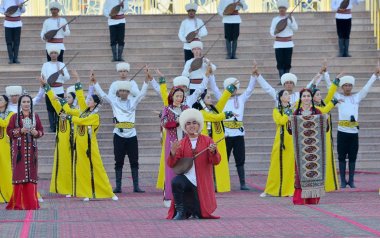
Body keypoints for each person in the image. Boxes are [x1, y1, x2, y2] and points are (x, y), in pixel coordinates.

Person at [93, 67, 152, 194]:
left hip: (132, 135)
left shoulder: (133, 101)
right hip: (118, 135)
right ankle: (118, 186)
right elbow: (103, 95)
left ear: (129, 92)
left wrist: (146, 81)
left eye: (126, 90)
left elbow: (141, 94)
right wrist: (95, 82)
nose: (124, 93)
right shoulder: (114, 101)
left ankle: (136, 186)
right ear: (118, 92)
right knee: (118, 161)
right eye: (121, 91)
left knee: (134, 160)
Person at [59, 77, 118, 201]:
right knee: (82, 169)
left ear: (95, 103)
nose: (87, 101)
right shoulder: (83, 111)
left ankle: (109, 192)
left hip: (90, 146)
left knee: (97, 167)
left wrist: (69, 118)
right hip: (79, 145)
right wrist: (77, 81)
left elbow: (82, 122)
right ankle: (86, 192)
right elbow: (80, 98)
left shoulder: (95, 116)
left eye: (90, 99)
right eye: (88, 99)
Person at [324, 65, 380, 188]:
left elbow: (366, 88)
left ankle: (352, 180)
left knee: (353, 157)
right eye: (345, 85)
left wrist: (374, 76)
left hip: (354, 132)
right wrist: (326, 74)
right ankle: (343, 181)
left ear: (352, 86)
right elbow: (330, 88)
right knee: (342, 156)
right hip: (342, 132)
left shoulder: (356, 97)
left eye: (350, 85)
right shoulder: (339, 98)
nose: (348, 88)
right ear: (342, 87)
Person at [208, 64, 257, 190]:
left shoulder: (241, 99)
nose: (232, 90)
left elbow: (250, 90)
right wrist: (211, 74)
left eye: (234, 88)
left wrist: (253, 76)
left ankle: (242, 183)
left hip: (239, 135)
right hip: (225, 134)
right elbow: (213, 87)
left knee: (240, 159)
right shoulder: (221, 98)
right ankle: (218, 182)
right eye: (230, 88)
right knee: (222, 159)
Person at [167, 108, 221, 220]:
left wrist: (213, 152)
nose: (192, 126)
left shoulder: (208, 140)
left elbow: (216, 161)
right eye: (188, 123)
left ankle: (194, 210)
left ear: (199, 125)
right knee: (176, 182)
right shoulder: (181, 143)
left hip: (202, 181)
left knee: (200, 214)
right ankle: (180, 212)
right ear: (185, 127)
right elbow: (172, 164)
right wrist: (172, 153)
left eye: (194, 123)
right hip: (187, 179)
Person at [192, 80, 237, 193]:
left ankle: (220, 185)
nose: (210, 99)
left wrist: (229, 89)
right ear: (202, 101)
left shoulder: (215, 110)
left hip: (217, 139)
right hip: (205, 141)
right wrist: (228, 114)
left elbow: (222, 102)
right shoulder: (201, 112)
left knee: (218, 163)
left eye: (210, 97)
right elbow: (215, 118)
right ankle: (206, 186)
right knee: (206, 164)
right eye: (208, 97)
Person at [6, 94, 44, 210]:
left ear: (31, 104)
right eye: (24, 102)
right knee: (19, 173)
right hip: (19, 151)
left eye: (28, 102)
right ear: (20, 104)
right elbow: (9, 131)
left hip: (32, 151)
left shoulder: (35, 116)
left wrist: (36, 133)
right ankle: (18, 203)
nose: (26, 104)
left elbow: (41, 131)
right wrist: (20, 130)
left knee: (31, 173)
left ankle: (31, 203)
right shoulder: (15, 117)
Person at [42, 78, 77, 197]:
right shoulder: (61, 109)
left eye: (69, 98)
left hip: (74, 140)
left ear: (74, 99)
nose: (67, 99)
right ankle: (66, 188)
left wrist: (61, 100)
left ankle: (74, 187)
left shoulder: (77, 111)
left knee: (74, 163)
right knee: (64, 164)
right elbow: (53, 101)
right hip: (62, 141)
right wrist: (46, 87)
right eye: (66, 97)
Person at [292, 88, 325, 205]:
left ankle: (313, 197)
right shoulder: (296, 113)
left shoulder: (317, 112)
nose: (306, 98)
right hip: (301, 149)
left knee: (314, 171)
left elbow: (325, 129)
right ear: (301, 98)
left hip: (315, 149)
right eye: (304, 96)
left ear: (311, 98)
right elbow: (290, 131)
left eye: (308, 96)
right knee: (300, 173)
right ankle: (300, 198)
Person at [261, 90, 295, 197]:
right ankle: (270, 189)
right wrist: (288, 112)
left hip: (292, 140)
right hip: (280, 141)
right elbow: (280, 121)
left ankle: (289, 190)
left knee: (290, 166)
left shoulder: (294, 109)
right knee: (275, 164)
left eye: (288, 94)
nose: (288, 96)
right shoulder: (276, 110)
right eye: (285, 94)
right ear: (280, 98)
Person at [161, 87, 189, 207]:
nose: (179, 98)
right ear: (172, 96)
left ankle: (186, 196)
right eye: (176, 96)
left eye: (181, 96)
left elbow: (191, 122)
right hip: (172, 141)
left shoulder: (186, 109)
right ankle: (169, 197)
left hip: (185, 140)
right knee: (171, 167)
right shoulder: (167, 109)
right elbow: (164, 123)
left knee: (186, 166)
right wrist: (177, 121)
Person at [41, 45, 70, 133]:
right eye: (52, 53)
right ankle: (52, 127)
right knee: (50, 109)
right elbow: (43, 76)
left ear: (58, 54)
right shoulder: (45, 65)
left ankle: (59, 125)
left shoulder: (62, 64)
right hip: (49, 90)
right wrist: (45, 83)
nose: (53, 55)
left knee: (60, 108)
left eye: (55, 53)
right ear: (49, 54)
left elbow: (67, 78)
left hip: (59, 89)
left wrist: (62, 73)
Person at [270, 0, 298, 82]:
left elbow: (295, 28)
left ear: (286, 10)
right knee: (280, 63)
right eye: (280, 9)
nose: (282, 11)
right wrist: (276, 32)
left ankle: (286, 79)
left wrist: (291, 21)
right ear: (279, 10)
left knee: (287, 63)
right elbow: (272, 31)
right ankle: (282, 79)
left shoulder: (291, 18)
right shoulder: (275, 19)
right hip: (278, 44)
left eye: (283, 9)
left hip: (289, 44)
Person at [0, 95, 13, 203]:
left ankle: (8, 192)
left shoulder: (11, 114)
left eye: (0, 99)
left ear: (6, 102)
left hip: (5, 145)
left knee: (6, 168)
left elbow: (4, 124)